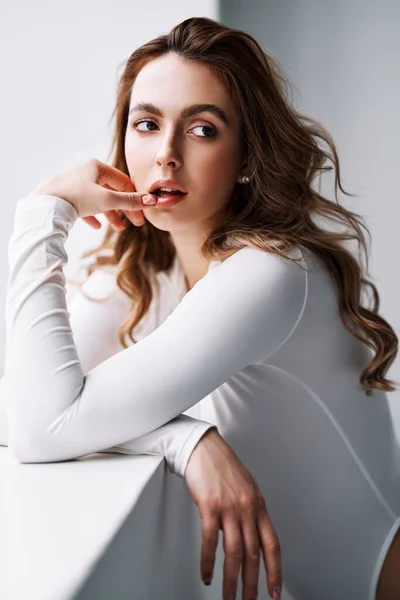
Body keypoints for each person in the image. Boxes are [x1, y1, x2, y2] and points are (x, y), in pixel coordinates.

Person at [1, 15, 399, 600]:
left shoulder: (271, 273)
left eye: (202, 130)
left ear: (246, 159)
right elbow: (25, 409)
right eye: (147, 123)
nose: (165, 154)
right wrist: (184, 440)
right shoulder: (149, 276)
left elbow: (43, 428)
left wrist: (42, 212)